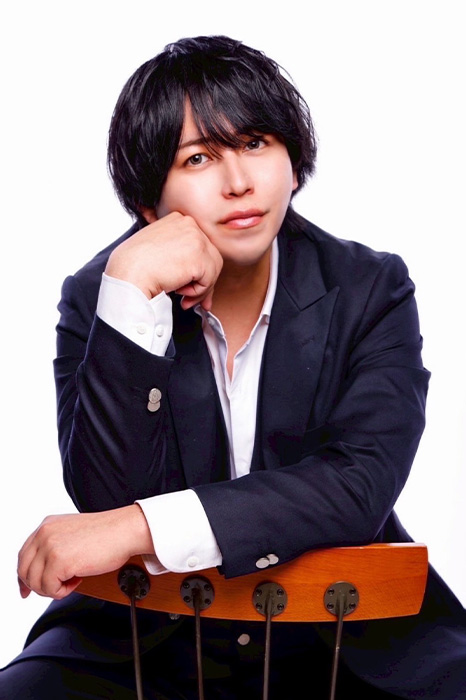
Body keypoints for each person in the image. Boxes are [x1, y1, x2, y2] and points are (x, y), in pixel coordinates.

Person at [1, 35, 465, 699]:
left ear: (292, 163)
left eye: (254, 143)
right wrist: (132, 291)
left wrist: (140, 527)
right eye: (198, 157)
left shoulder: (371, 286)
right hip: (142, 631)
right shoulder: (100, 292)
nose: (239, 181)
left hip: (344, 628)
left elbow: (357, 485)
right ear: (149, 200)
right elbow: (103, 497)